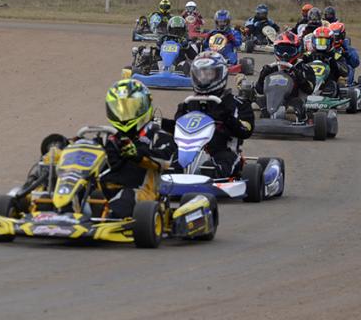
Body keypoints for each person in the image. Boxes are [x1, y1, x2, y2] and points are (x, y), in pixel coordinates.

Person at [173, 51, 254, 178]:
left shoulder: (238, 104)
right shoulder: (188, 104)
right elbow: (177, 130)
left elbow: (245, 130)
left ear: (220, 74)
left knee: (213, 168)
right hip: (190, 151)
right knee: (169, 163)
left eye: (209, 74)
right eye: (200, 75)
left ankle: (209, 176)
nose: (204, 78)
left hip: (223, 151)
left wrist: (227, 118)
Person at [102, 79, 176, 218]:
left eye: (130, 108)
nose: (124, 114)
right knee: (81, 190)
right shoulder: (110, 137)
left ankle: (108, 217)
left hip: (141, 192)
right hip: (107, 188)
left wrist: (137, 154)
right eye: (119, 109)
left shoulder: (157, 136)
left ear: (143, 106)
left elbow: (166, 159)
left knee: (124, 198)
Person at [254, 31, 316, 120]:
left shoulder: (305, 68)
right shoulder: (271, 68)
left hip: (294, 99)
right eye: (282, 50)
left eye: (290, 51)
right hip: (271, 100)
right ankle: (256, 120)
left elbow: (310, 90)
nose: (285, 55)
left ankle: (292, 117)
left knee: (294, 105)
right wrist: (262, 77)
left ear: (297, 50)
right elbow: (259, 90)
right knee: (257, 103)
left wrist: (300, 78)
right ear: (276, 50)